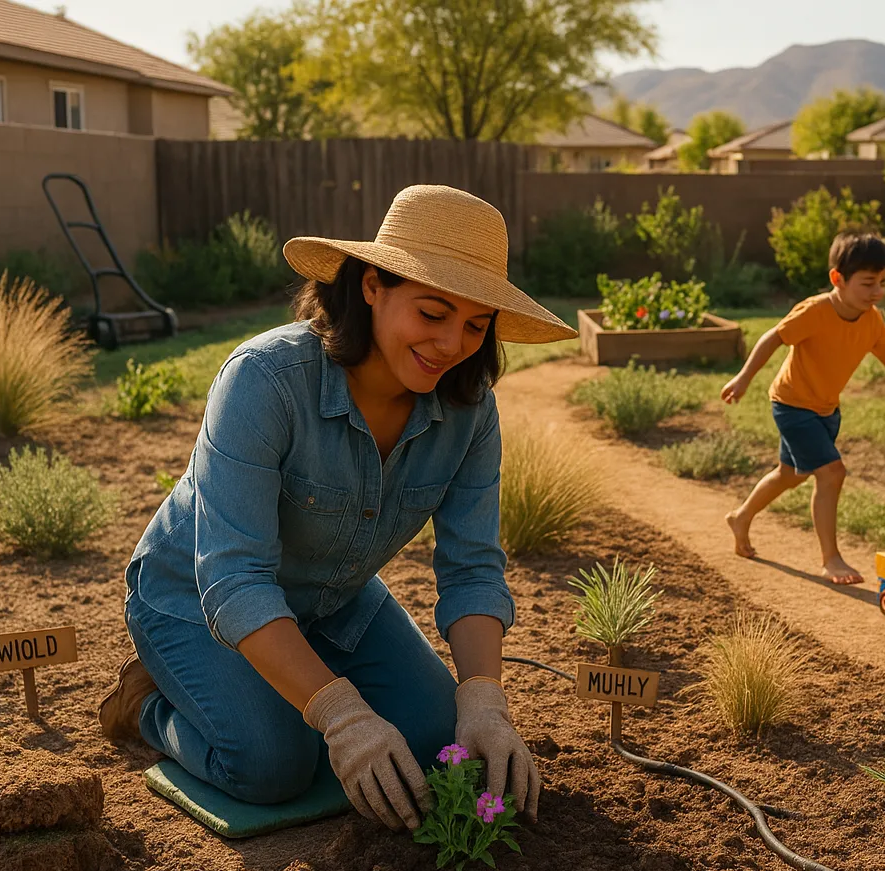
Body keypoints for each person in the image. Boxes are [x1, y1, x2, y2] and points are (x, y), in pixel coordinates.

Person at [99, 185, 577, 832]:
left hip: (333, 600)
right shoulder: (264, 381)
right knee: (272, 765)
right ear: (373, 285)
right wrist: (342, 715)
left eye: (475, 324)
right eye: (433, 313)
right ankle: (149, 704)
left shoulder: (469, 412)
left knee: (444, 742)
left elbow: (471, 569)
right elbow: (234, 582)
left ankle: (303, 681)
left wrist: (485, 700)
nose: (451, 344)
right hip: (192, 598)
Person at [721, 233, 885, 585]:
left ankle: (741, 516)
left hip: (826, 409)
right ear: (837, 279)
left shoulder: (871, 319)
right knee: (831, 473)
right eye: (868, 283)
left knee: (790, 476)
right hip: (792, 404)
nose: (877, 292)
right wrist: (743, 378)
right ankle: (831, 559)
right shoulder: (815, 311)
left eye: (883, 282)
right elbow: (774, 337)